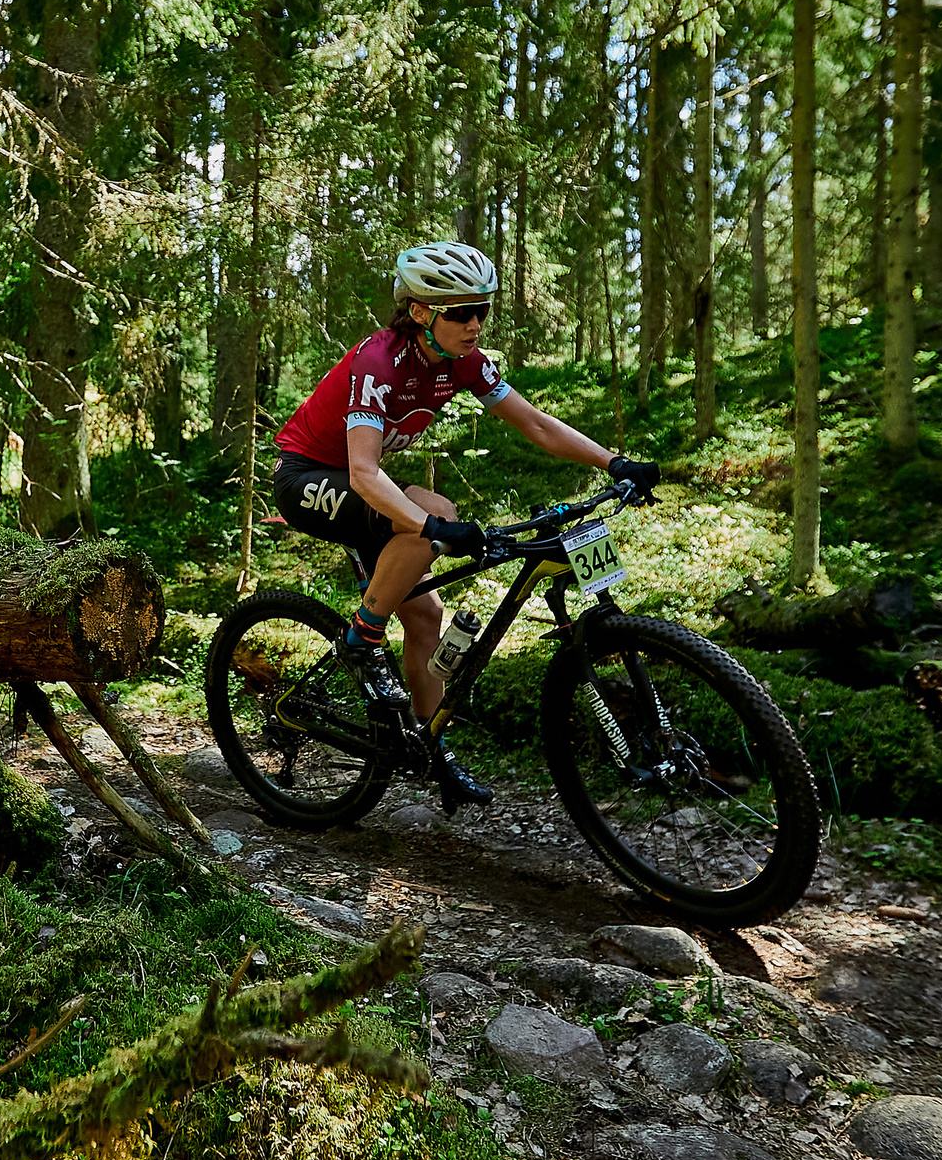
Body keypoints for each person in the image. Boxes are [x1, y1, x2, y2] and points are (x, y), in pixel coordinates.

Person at [270, 241, 656, 813]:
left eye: (483, 310)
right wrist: (432, 526)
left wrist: (613, 462)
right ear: (421, 312)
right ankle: (362, 635)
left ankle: (433, 750)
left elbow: (537, 425)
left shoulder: (466, 361)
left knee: (427, 619)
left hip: (362, 481)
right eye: (460, 312)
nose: (474, 323)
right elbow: (362, 471)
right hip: (309, 479)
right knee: (435, 514)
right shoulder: (380, 363)